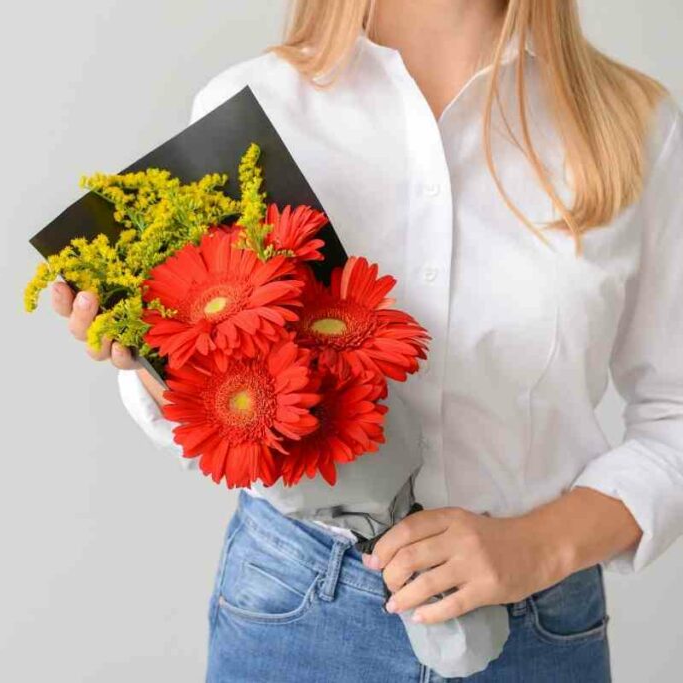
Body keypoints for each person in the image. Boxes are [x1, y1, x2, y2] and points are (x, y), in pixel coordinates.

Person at [50, 1, 683, 680]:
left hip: (539, 627)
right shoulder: (253, 105)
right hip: (298, 620)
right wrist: (150, 358)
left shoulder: (633, 127)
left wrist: (536, 547)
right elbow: (223, 422)